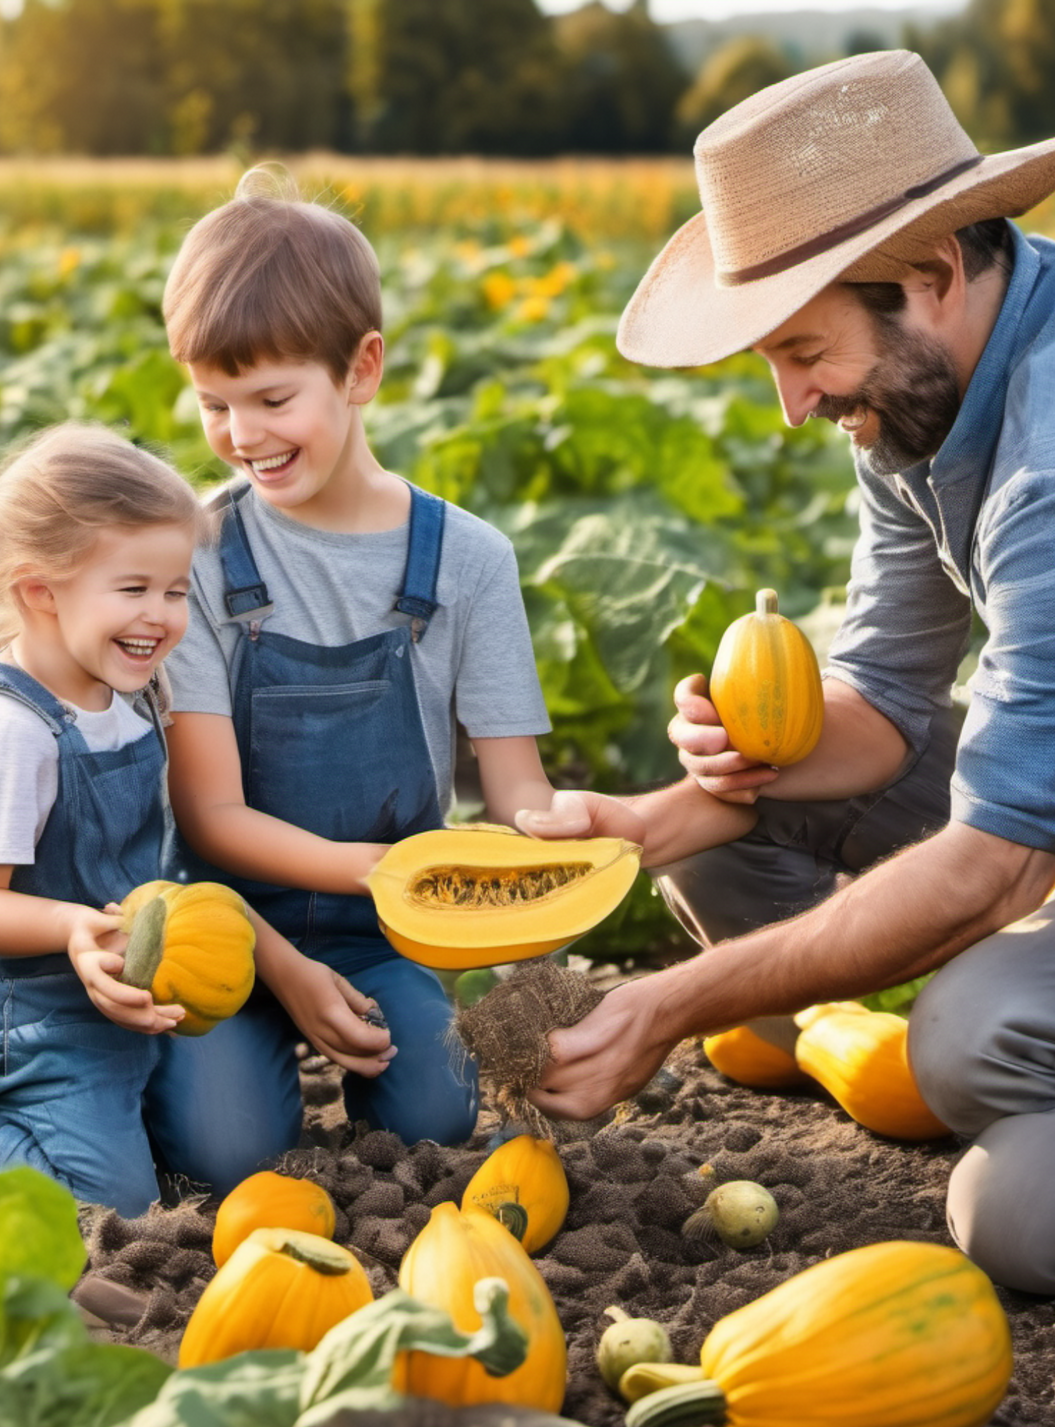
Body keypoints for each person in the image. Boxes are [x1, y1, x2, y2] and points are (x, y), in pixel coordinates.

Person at [516, 50, 1055, 1296]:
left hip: (1025, 845)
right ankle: (921, 1031)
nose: (788, 403)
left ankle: (1005, 1040)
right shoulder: (916, 390)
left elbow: (994, 867)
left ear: (930, 271)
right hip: (1052, 806)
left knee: (999, 1141)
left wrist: (669, 1001)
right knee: (727, 823)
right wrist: (651, 818)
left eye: (799, 348)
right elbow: (880, 696)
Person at [143, 167, 685, 1195]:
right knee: (224, 1150)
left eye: (270, 398)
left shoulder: (467, 559)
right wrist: (379, 875)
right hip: (229, 922)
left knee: (434, 1117)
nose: (242, 434)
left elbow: (514, 789)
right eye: (213, 403)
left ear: (360, 368)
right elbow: (208, 817)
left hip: (397, 928)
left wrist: (553, 835)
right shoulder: (199, 556)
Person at [0, 421, 328, 1220]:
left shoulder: (132, 686)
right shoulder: (13, 731)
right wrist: (78, 930)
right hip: (31, 1012)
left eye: (176, 590)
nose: (162, 616)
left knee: (237, 1157)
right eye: (133, 589)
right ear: (39, 590)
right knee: (103, 1208)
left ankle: (114, 1117)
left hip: (128, 974)